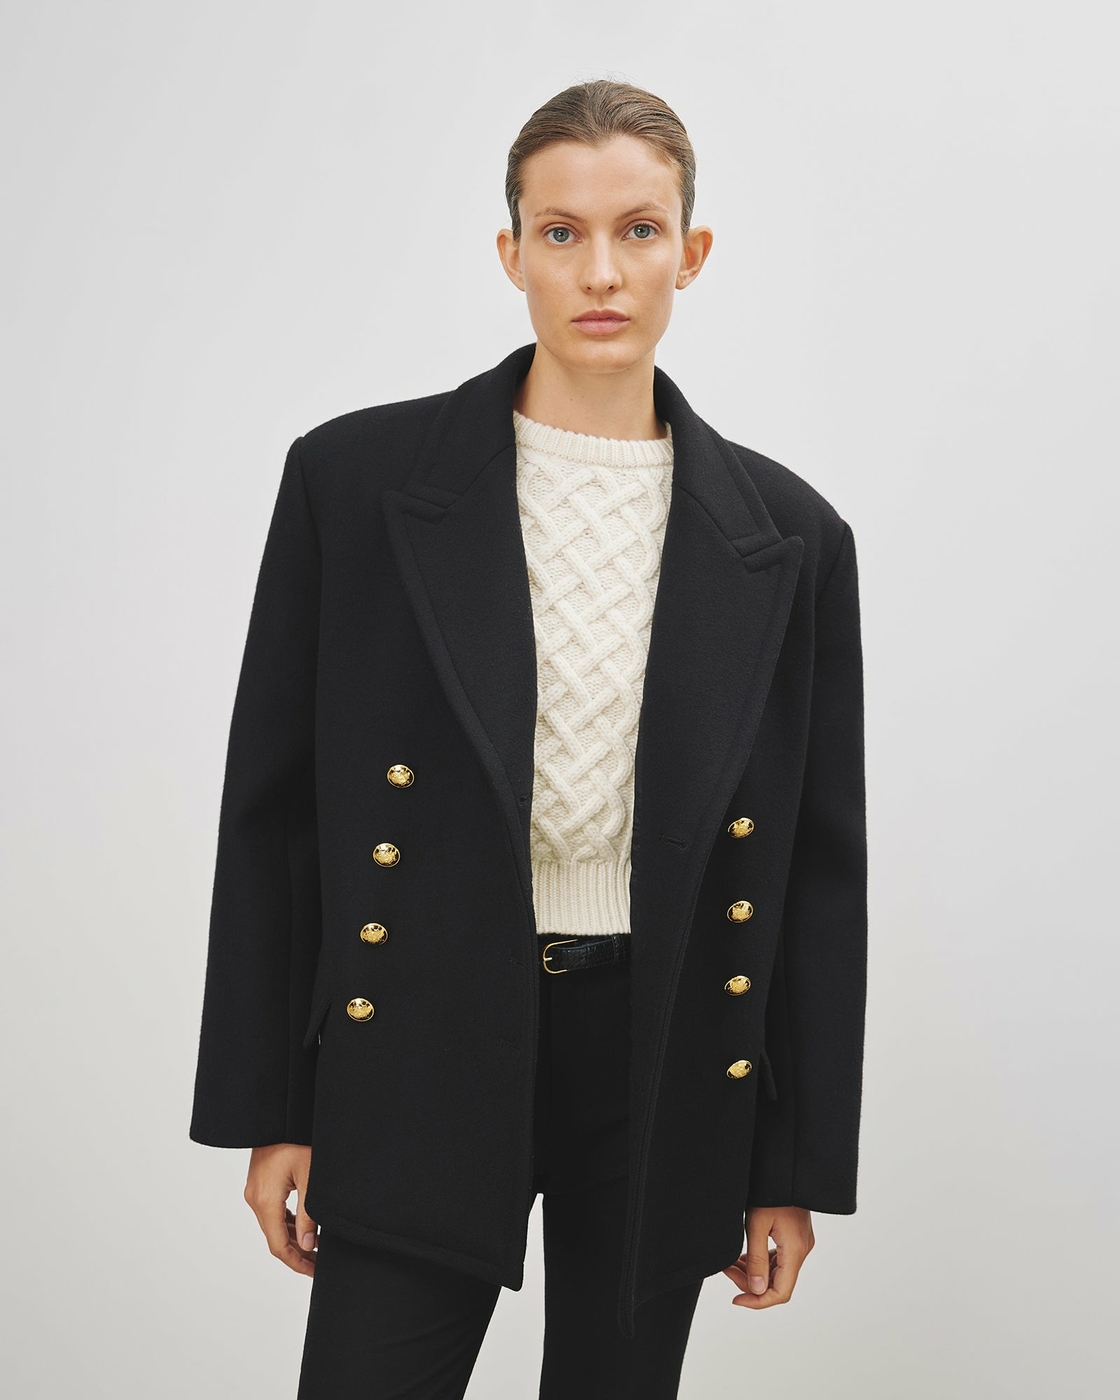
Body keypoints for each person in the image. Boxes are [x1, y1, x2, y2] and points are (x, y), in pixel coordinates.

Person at [189, 79, 868, 1399]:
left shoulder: (792, 538)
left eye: (638, 230)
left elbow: (816, 874)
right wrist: (275, 1108)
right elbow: (271, 816)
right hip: (421, 1028)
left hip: (667, 1054)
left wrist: (789, 1166)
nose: (600, 271)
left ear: (692, 252)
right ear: (510, 252)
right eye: (561, 233)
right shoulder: (356, 484)